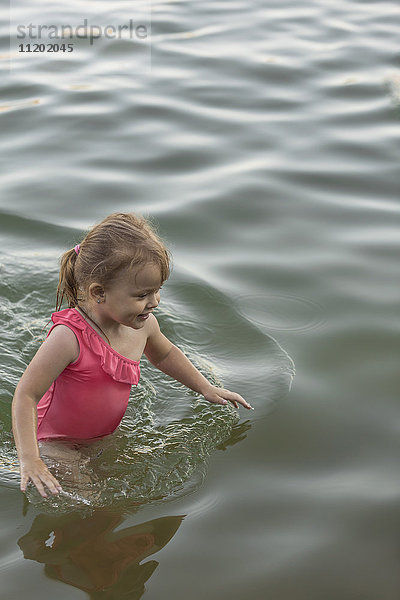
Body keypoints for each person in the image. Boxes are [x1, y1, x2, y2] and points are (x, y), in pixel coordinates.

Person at [12, 213, 253, 499]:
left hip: (103, 437)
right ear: (99, 292)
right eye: (141, 295)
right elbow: (25, 395)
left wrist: (205, 387)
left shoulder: (144, 325)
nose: (154, 302)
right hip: (55, 442)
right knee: (91, 502)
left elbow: (164, 355)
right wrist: (31, 458)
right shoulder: (68, 338)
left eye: (157, 290)